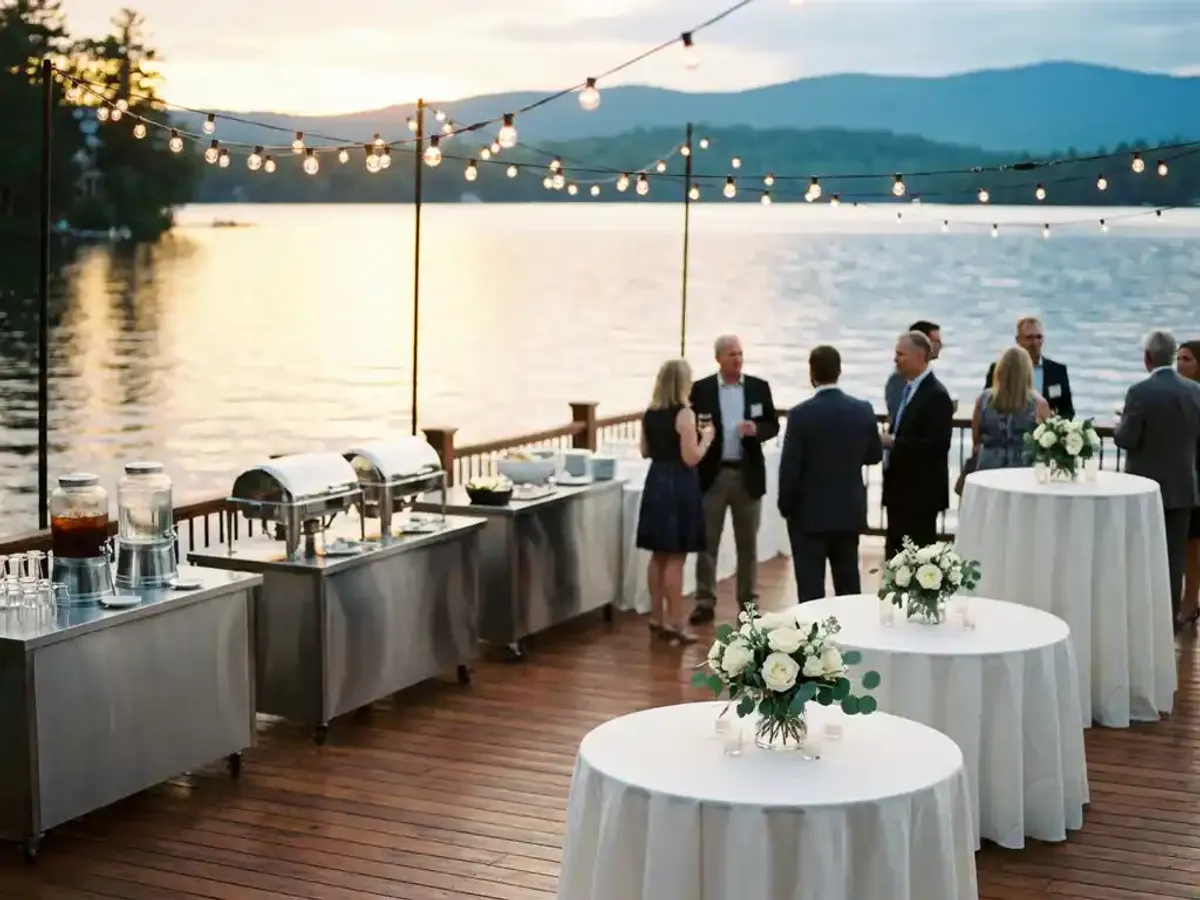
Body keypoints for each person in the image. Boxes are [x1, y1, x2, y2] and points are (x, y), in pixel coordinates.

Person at [778, 346, 883, 601]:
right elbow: (874, 455)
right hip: (848, 510)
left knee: (810, 590)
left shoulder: (801, 415)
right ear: (839, 371)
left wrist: (785, 506)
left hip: (808, 515)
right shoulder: (862, 409)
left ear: (811, 373)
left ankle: (811, 639)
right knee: (848, 586)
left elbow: (790, 466)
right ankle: (851, 637)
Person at [1113, 330, 1200, 632]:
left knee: (1139, 556)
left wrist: (1119, 424)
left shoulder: (1139, 392)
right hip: (1183, 487)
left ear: (1147, 358)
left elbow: (1126, 439)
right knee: (1175, 561)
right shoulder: (1194, 391)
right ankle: (1167, 623)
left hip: (1142, 489)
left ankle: (1137, 622)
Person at [688, 335, 779, 624]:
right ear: (718, 359)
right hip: (712, 477)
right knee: (707, 542)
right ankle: (704, 600)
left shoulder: (758, 387)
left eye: (740, 354)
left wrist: (757, 429)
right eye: (731, 355)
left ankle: (748, 603)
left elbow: (773, 425)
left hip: (746, 474)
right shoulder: (700, 390)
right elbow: (689, 426)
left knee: (747, 543)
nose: (737, 359)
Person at [636, 358, 714, 644]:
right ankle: (677, 623)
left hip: (656, 480)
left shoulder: (650, 413)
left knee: (658, 554)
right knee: (676, 557)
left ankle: (656, 616)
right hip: (678, 483)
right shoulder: (684, 414)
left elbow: (645, 451)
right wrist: (706, 439)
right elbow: (690, 457)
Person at [882, 330, 955, 558]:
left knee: (917, 563)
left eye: (900, 354)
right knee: (895, 560)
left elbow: (937, 446)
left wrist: (894, 442)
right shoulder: (905, 389)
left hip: (919, 497)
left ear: (920, 356)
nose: (896, 359)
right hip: (899, 493)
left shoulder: (936, 395)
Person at [971, 346, 1050, 471]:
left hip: (988, 466)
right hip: (1023, 468)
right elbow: (1046, 443)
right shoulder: (1039, 404)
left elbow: (976, 438)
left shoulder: (983, 399)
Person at [983, 316, 1074, 419]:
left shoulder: (1058, 371)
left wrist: (1053, 428)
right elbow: (988, 406)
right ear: (1018, 340)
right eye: (1029, 338)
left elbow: (1068, 410)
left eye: (1039, 337)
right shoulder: (1000, 369)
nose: (1035, 343)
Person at [1174, 339, 1200, 626]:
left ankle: (1191, 599)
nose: (1180, 364)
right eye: (1178, 358)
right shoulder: (1180, 393)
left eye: (1187, 359)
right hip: (1181, 472)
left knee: (1194, 542)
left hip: (1196, 474)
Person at [886, 320, 942, 421]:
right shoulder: (900, 379)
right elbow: (901, 416)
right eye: (936, 341)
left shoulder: (925, 378)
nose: (941, 345)